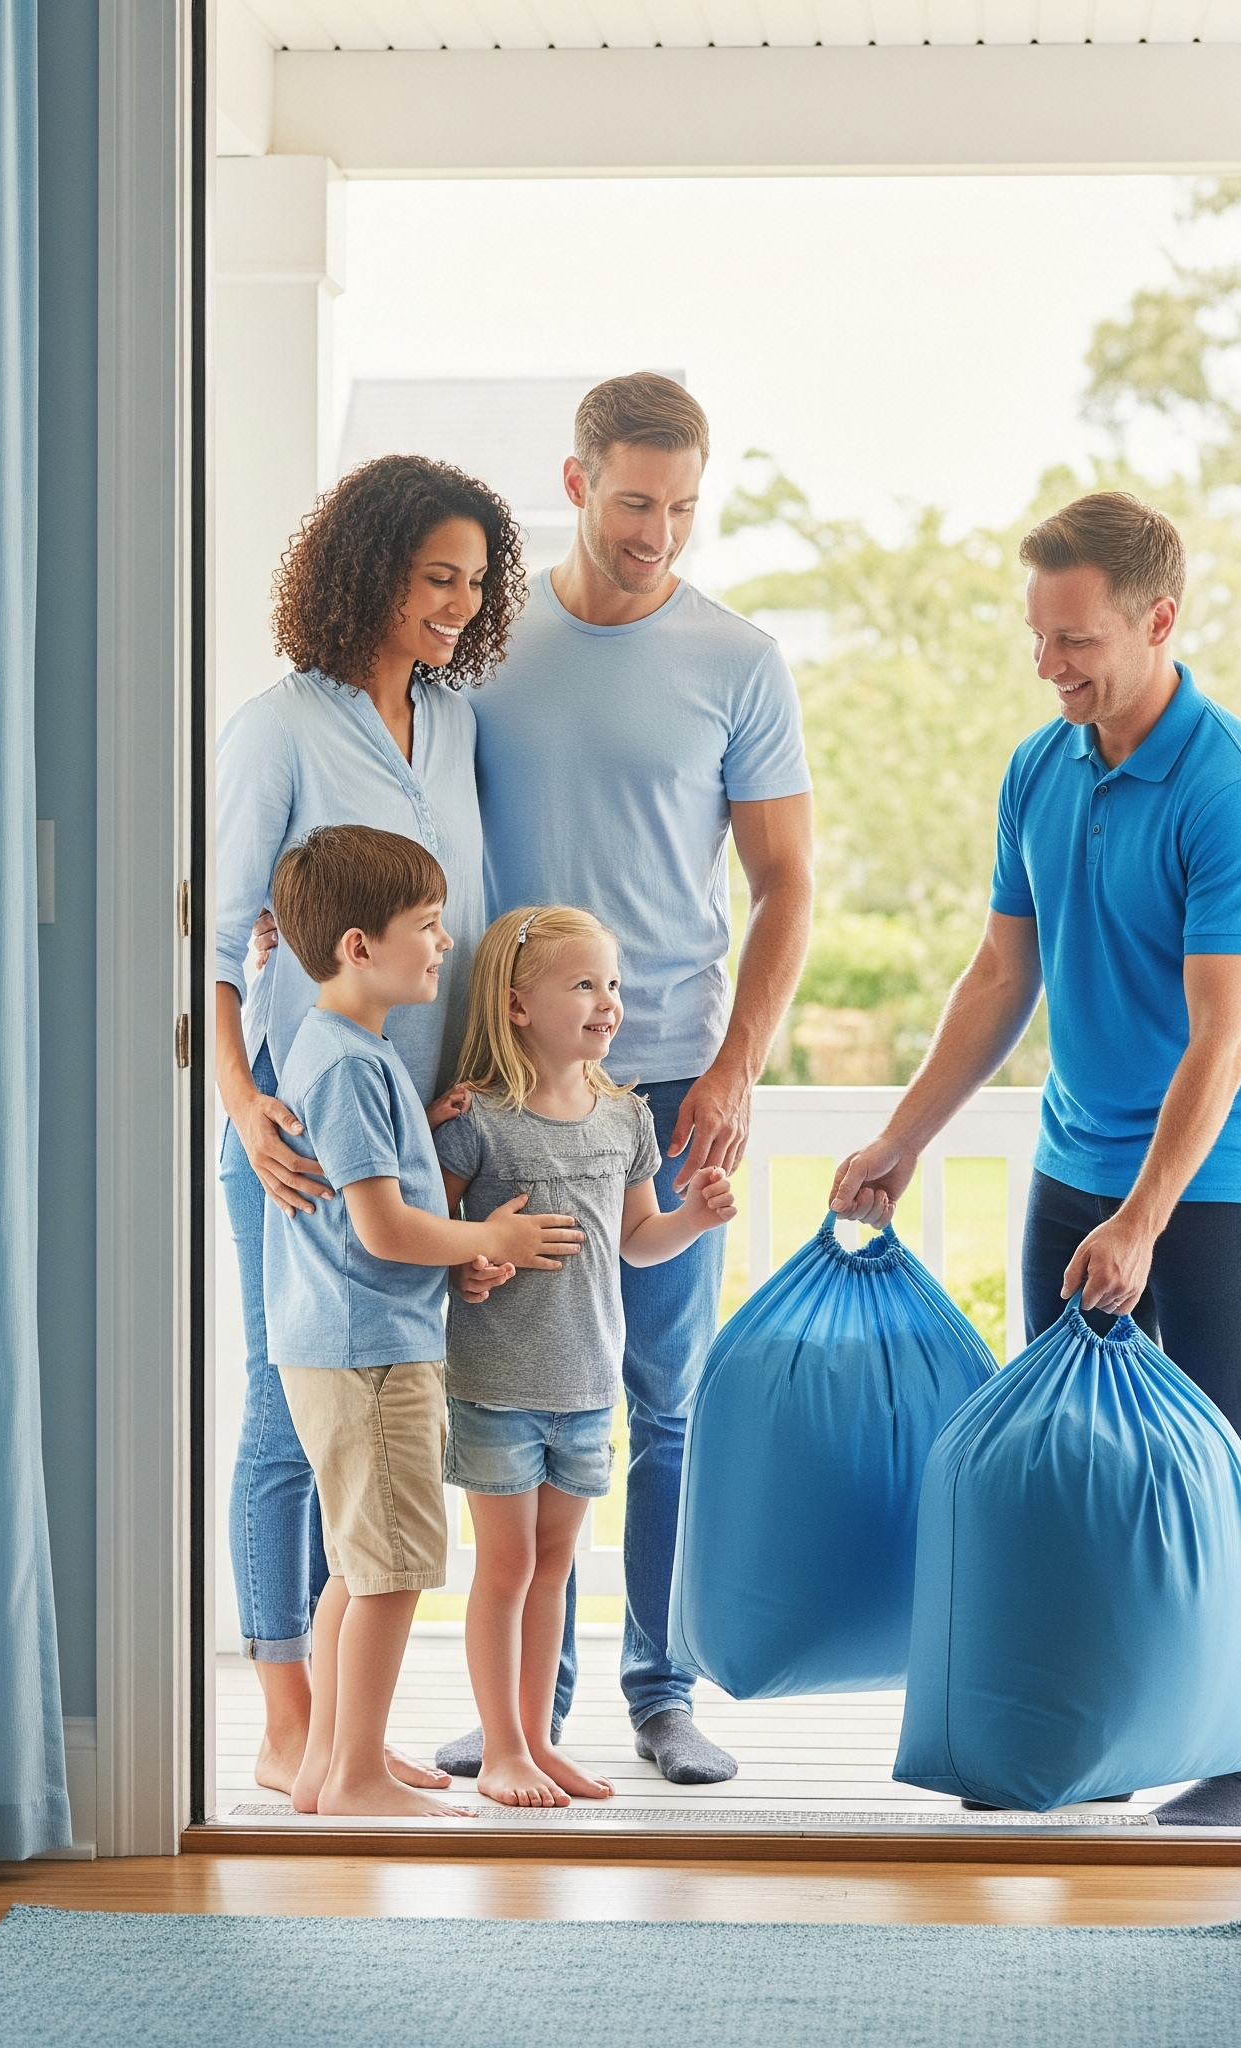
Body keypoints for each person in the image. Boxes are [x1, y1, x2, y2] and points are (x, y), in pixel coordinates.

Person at [829, 492, 1241, 1829]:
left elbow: (1220, 1038)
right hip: (1074, 1158)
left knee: (1230, 1456)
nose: (1048, 665)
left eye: (1076, 640)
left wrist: (1144, 1217)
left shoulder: (1234, 793)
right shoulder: (1041, 769)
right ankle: (1087, 1732)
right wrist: (901, 1139)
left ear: (1159, 622)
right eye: (1036, 636)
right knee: (1070, 1453)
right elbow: (1000, 974)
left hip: (1211, 1177)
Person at [440, 373, 815, 1788]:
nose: (657, 531)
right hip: (499, 1087)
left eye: (683, 505)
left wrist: (735, 1067)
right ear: (577, 482)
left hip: (662, 1084)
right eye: (635, 500)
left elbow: (786, 883)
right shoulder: (485, 644)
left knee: (661, 1400)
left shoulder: (739, 660)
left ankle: (661, 1693)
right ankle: (522, 1712)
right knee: (507, 1393)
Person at [214, 456, 524, 1796]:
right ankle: (288, 1719)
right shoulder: (279, 728)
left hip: (415, 1128)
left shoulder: (454, 723)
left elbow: (464, 920)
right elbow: (216, 939)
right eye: (434, 578)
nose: (457, 604)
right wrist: (243, 1101)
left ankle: (345, 1731)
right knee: (289, 1410)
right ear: (367, 575)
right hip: (297, 1133)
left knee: (380, 1408)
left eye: (474, 582)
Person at [264, 825, 583, 1817]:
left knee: (356, 1567)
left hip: (341, 1343)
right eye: (429, 925)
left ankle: (327, 1763)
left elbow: (385, 1195)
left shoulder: (345, 1051)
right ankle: (356, 1776)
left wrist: (433, 1155)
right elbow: (385, 1227)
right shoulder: (351, 1067)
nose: (446, 943)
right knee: (393, 1571)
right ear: (359, 946)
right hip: (370, 1353)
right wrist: (490, 1232)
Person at [434, 907, 736, 1809]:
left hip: (586, 1389)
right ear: (517, 1004)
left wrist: (694, 1219)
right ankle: (504, 1747)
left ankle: (535, 1742)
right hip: (497, 1388)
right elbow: (437, 1239)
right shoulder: (478, 1122)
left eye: (612, 984)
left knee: (553, 1568)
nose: (608, 1002)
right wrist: (473, 1262)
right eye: (583, 984)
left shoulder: (626, 1117)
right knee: (505, 1570)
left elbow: (639, 1240)